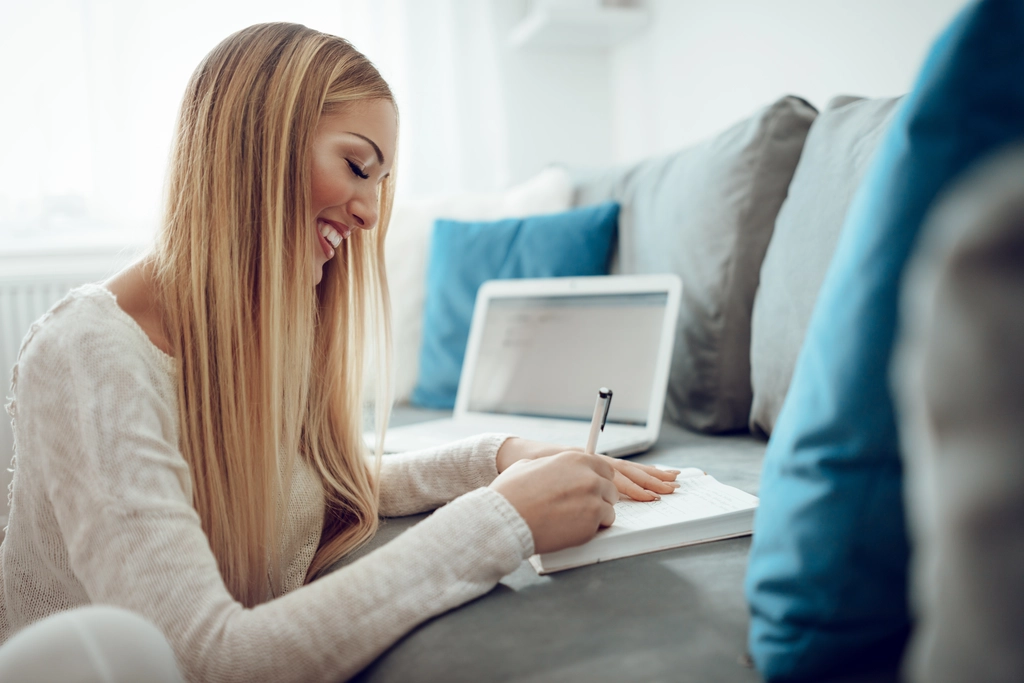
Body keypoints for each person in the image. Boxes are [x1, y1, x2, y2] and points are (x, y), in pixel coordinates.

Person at [0, 23, 679, 682]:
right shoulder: (88, 352)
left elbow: (321, 481)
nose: (370, 214)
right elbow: (210, 658)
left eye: (380, 182)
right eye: (357, 165)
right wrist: (504, 519)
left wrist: (501, 456)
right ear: (255, 140)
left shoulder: (248, 335)